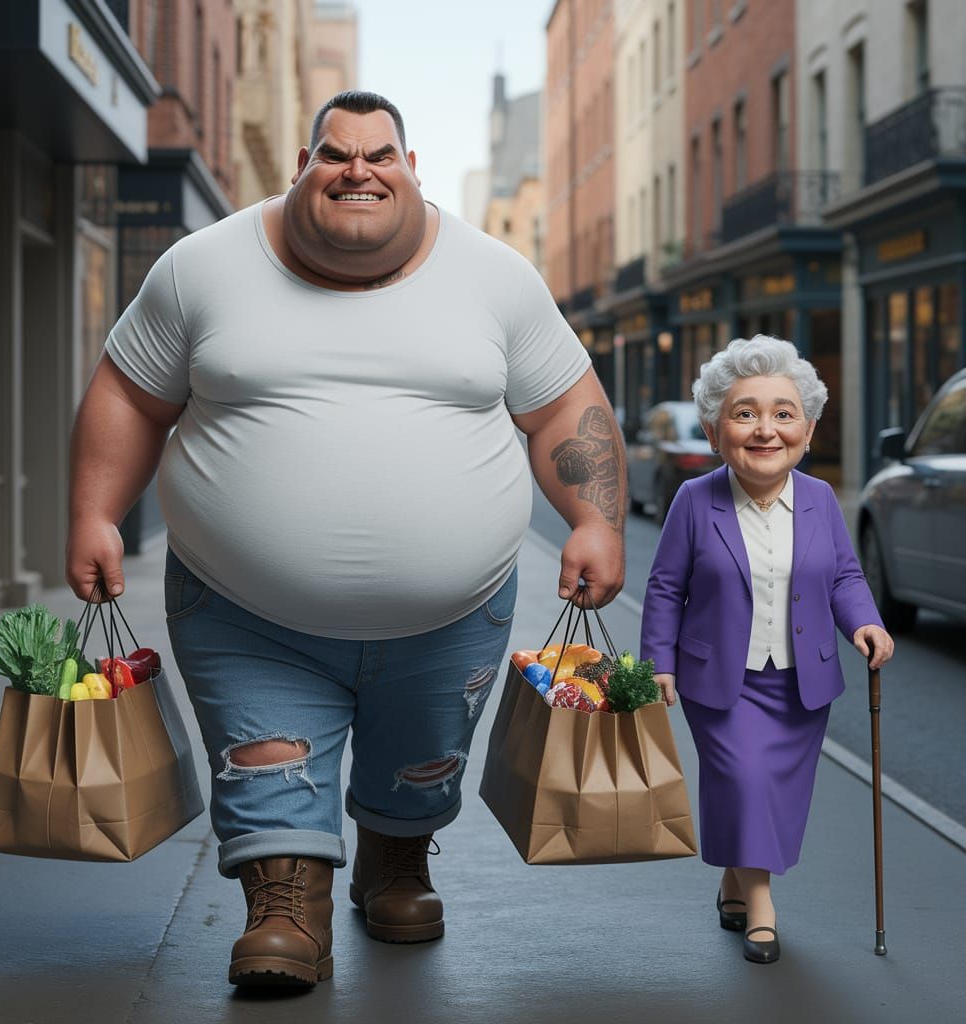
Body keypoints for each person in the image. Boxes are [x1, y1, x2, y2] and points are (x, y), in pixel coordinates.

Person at [65, 91, 626, 989]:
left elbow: (564, 405)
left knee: (421, 755)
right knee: (265, 757)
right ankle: (286, 904)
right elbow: (131, 393)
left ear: (411, 171)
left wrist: (596, 518)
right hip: (245, 611)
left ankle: (395, 860)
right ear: (301, 165)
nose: (357, 169)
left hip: (453, 613)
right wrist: (94, 514)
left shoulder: (496, 275)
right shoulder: (198, 267)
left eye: (380, 155)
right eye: (336, 153)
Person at [640, 335, 893, 965]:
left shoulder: (820, 499)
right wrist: (659, 664)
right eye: (745, 412)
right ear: (715, 427)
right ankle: (762, 911)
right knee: (745, 781)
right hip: (719, 678)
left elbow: (843, 577)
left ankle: (733, 883)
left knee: (773, 793)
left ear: (807, 429)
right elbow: (666, 585)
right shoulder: (694, 500)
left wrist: (865, 623)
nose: (765, 429)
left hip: (802, 682)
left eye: (783, 414)